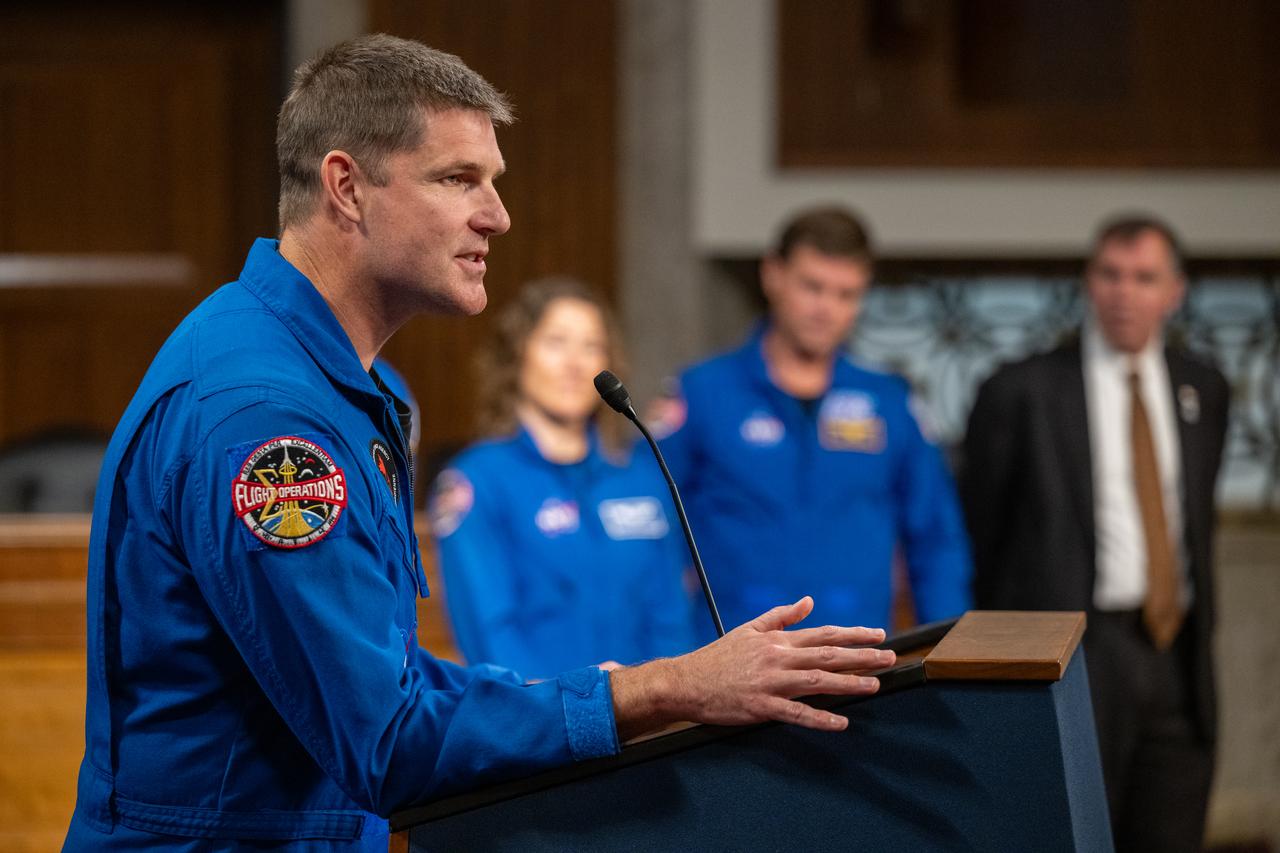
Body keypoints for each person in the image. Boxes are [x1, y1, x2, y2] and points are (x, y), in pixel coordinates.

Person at [64, 34, 895, 851]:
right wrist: (660, 688)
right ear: (347, 187)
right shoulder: (265, 418)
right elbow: (385, 740)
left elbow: (392, 677)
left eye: (492, 182)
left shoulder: (349, 385)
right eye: (458, 179)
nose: (497, 216)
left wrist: (608, 689)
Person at [960, 215, 1229, 853]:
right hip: (1076, 651)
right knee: (1072, 838)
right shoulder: (1020, 391)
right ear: (1088, 281)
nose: (1124, 292)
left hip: (1176, 652)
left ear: (1175, 291)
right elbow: (982, 535)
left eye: (1143, 277)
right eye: (1109, 274)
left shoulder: (1205, 387)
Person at [654, 206, 972, 635]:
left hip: (858, 662)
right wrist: (672, 659)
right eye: (813, 287)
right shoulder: (702, 393)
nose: (827, 309)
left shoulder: (890, 402)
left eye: (847, 294)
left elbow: (936, 542)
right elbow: (651, 534)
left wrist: (949, 656)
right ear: (773, 274)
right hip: (729, 664)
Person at [431, 277, 696, 677]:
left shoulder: (642, 477)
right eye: (556, 342)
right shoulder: (475, 484)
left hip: (655, 724)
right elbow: (490, 637)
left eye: (591, 346)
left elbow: (673, 618)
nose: (575, 363)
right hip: (543, 724)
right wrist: (578, 714)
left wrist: (665, 702)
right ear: (518, 352)